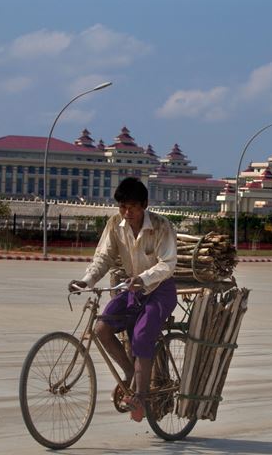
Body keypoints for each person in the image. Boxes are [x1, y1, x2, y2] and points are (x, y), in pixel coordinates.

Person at [68, 177, 177, 422]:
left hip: (160, 290)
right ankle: (129, 371)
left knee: (140, 336)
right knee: (101, 328)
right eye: (122, 207)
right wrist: (86, 281)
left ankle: (140, 395)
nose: (127, 213)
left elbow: (167, 264)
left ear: (144, 205)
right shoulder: (115, 224)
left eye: (133, 207)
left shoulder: (161, 226)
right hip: (133, 289)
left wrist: (144, 278)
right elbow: (103, 258)